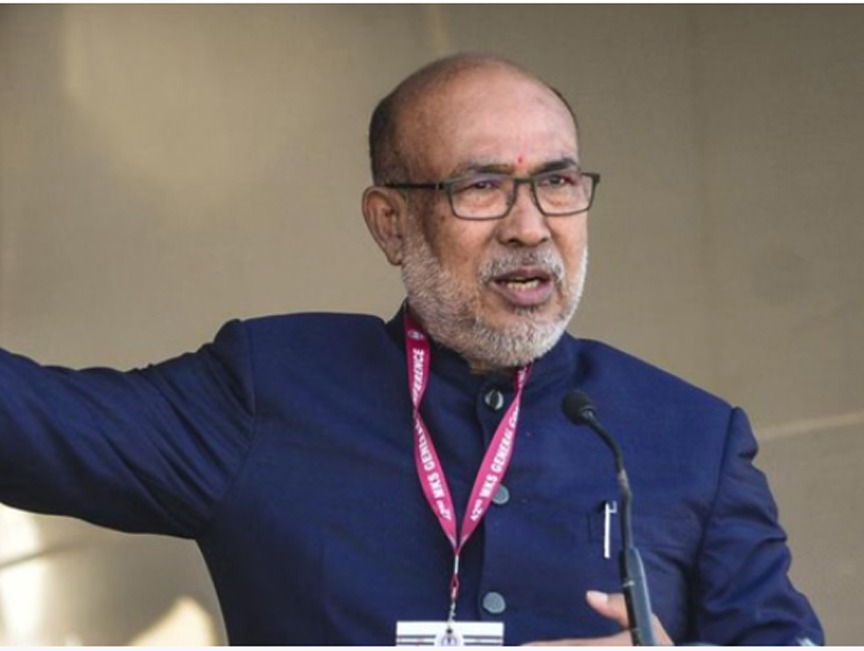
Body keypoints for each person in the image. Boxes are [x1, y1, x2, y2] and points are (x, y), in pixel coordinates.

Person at [0, 53, 822, 646]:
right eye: (482, 185)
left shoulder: (692, 436)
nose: (530, 225)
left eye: (558, 182)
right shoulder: (269, 388)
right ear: (391, 223)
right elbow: (26, 424)